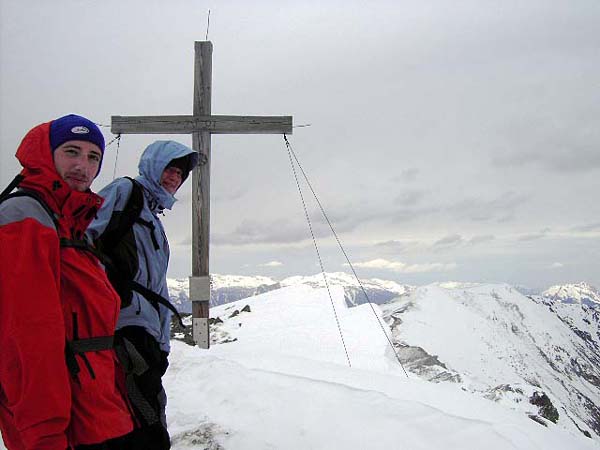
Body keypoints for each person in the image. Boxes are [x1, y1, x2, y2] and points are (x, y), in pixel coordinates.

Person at [0, 115, 134, 450]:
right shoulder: (26, 216)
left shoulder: (71, 225)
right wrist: (44, 433)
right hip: (58, 425)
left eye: (93, 158)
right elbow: (28, 337)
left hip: (91, 411)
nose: (82, 166)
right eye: (71, 152)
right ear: (46, 153)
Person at [87, 140, 200, 450]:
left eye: (179, 173)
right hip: (123, 327)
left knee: (145, 416)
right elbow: (84, 238)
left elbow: (157, 288)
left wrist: (162, 343)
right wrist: (110, 291)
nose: (174, 178)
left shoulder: (153, 219)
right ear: (152, 166)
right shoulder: (125, 192)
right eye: (169, 169)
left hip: (146, 335)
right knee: (144, 422)